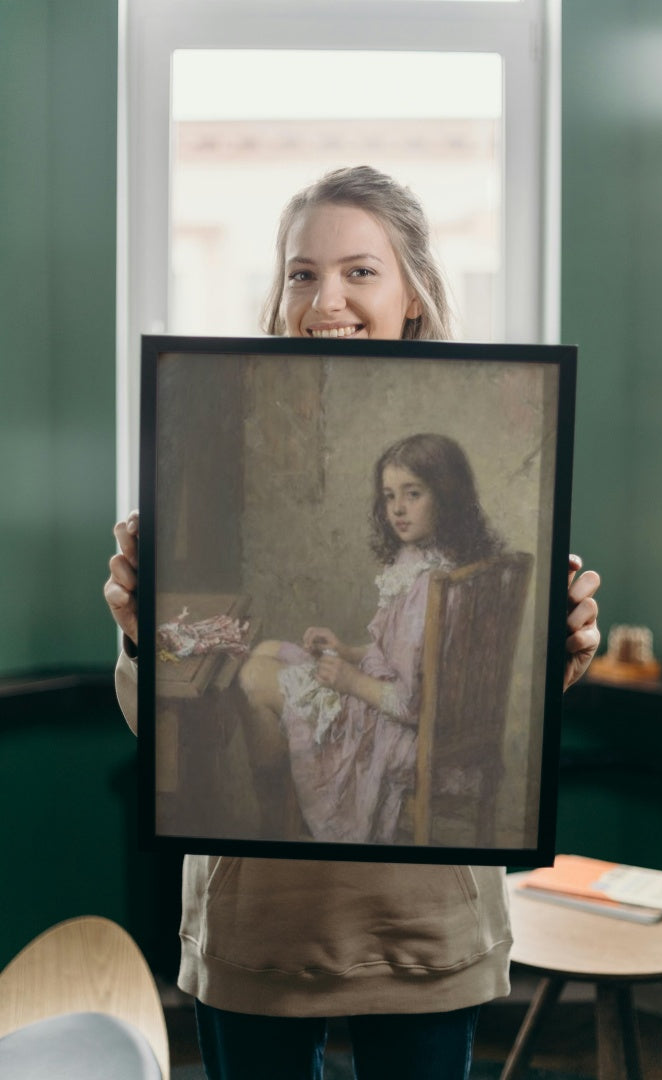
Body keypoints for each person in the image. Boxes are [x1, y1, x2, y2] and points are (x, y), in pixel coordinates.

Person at [105, 165, 601, 1080]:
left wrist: (559, 656)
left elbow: (459, 701)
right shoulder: (193, 404)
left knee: (271, 674)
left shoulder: (469, 558)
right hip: (259, 927)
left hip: (419, 924)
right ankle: (278, 805)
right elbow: (162, 732)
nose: (324, 297)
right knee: (256, 668)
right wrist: (139, 637)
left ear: (413, 291)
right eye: (301, 272)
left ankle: (294, 790)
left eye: (359, 271)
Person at [241, 432, 502, 845]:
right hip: (414, 714)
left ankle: (277, 820)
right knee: (265, 650)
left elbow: (410, 702)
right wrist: (347, 652)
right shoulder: (441, 562)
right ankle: (282, 814)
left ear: (447, 495)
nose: (397, 508)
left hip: (404, 733)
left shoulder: (431, 588)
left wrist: (347, 679)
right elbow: (410, 659)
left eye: (412, 494)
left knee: (255, 678)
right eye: (389, 496)